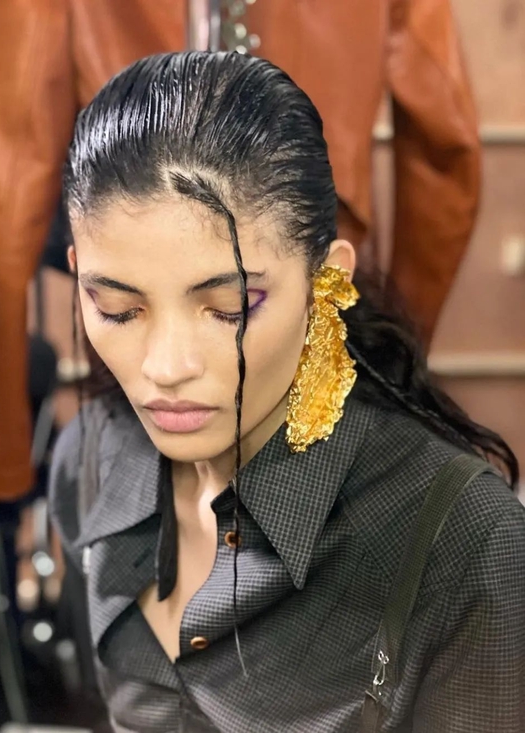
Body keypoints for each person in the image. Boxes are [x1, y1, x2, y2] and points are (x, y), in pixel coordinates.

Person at [49, 52, 525, 733]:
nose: (167, 366)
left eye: (231, 308)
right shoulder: (88, 459)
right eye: (119, 310)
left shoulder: (466, 544)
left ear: (326, 281)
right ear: (79, 278)